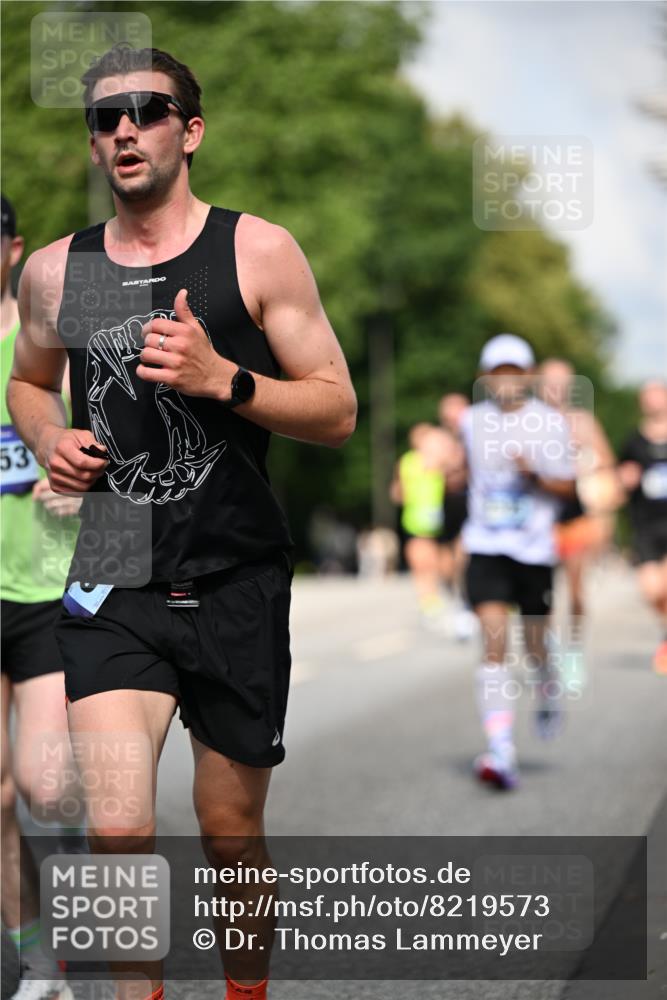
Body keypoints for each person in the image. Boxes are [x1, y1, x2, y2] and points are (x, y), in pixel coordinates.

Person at [7, 45, 357, 1000]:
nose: (125, 129)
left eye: (147, 110)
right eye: (105, 117)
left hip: (234, 564)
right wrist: (49, 438)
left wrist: (224, 379)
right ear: (94, 144)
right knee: (118, 827)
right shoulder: (63, 270)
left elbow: (336, 409)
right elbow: (30, 380)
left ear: (189, 131)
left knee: (229, 834)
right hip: (115, 560)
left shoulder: (254, 252)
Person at [1, 194, 80, 1000]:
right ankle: (40, 967)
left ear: (14, 248)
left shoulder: (43, 341)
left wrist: (81, 484)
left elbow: (118, 446)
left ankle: (89, 851)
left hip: (43, 590)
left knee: (48, 785)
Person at [460, 334, 576, 789]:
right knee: (494, 644)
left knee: (534, 646)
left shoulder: (549, 423)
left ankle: (547, 684)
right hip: (486, 545)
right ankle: (500, 748)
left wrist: (535, 473)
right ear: (485, 378)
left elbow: (568, 486)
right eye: (498, 373)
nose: (506, 381)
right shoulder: (471, 421)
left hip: (533, 549)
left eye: (514, 372)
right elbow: (465, 472)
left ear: (528, 376)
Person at [537, 358, 622, 687]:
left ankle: (573, 650)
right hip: (537, 518)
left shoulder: (583, 422)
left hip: (573, 517)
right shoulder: (528, 420)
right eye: (551, 381)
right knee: (538, 592)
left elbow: (607, 463)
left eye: (563, 382)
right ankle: (546, 651)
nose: (556, 388)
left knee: (575, 591)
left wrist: (586, 462)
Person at [618, 380, 667, 674]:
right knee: (652, 591)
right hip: (645, 524)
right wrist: (624, 479)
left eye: (657, 396)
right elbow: (618, 479)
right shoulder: (633, 441)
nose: (652, 402)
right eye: (647, 397)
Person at [390, 423, 452, 630]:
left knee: (440, 564)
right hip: (417, 520)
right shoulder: (410, 461)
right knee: (422, 564)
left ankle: (436, 599)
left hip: (437, 520)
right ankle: (429, 602)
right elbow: (398, 492)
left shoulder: (431, 460)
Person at [437, 392, 476, 640]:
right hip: (442, 505)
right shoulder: (438, 439)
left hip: (468, 502)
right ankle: (454, 599)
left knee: (463, 555)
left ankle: (466, 604)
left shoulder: (476, 435)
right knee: (445, 566)